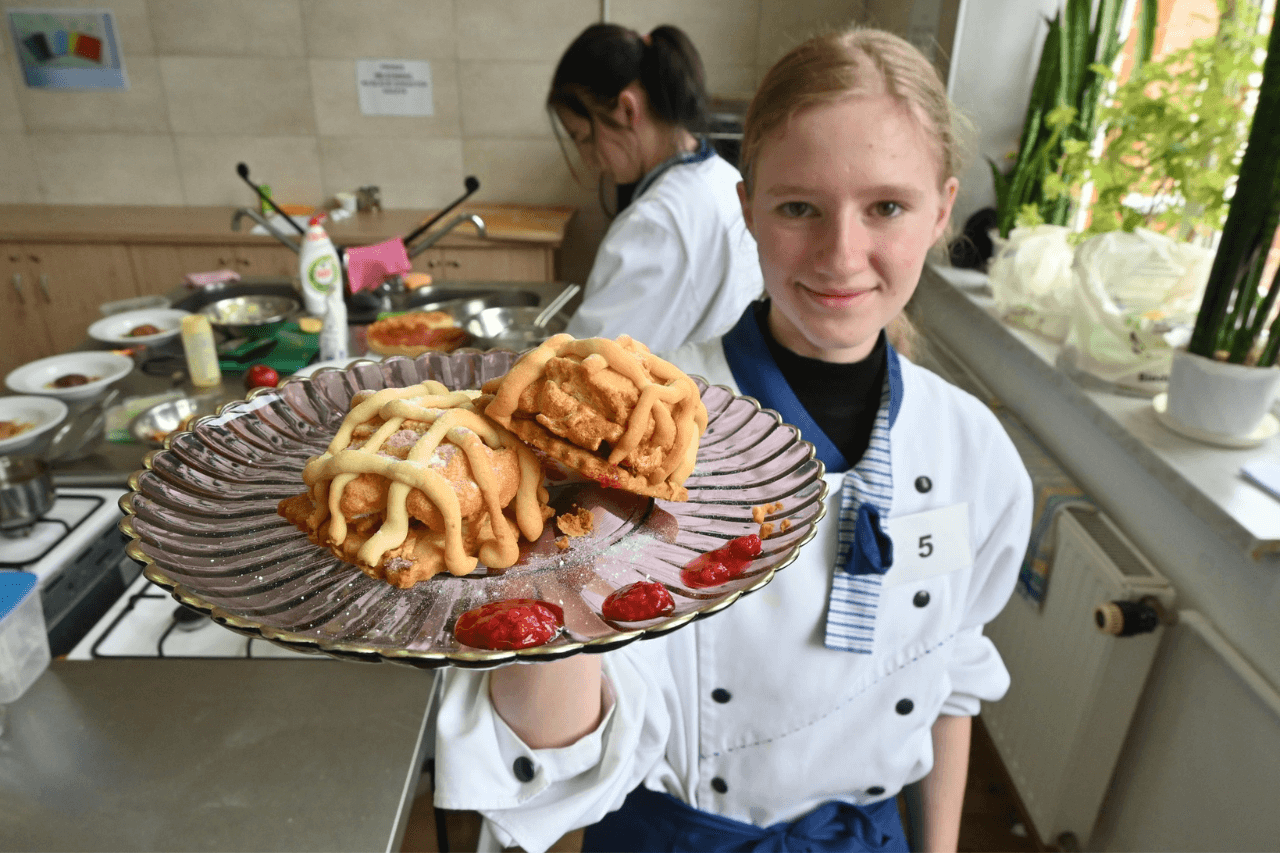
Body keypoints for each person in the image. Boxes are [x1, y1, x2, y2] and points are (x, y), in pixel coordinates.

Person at [434, 27, 1033, 853]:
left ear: (941, 211)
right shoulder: (650, 454)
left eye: (886, 206)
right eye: (799, 207)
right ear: (747, 208)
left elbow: (953, 679)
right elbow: (563, 743)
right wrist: (541, 586)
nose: (841, 254)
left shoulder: (975, 451)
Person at [550, 23, 763, 353]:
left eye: (584, 137)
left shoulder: (655, 223)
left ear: (627, 109)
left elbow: (586, 364)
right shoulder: (725, 178)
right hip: (721, 393)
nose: (590, 161)